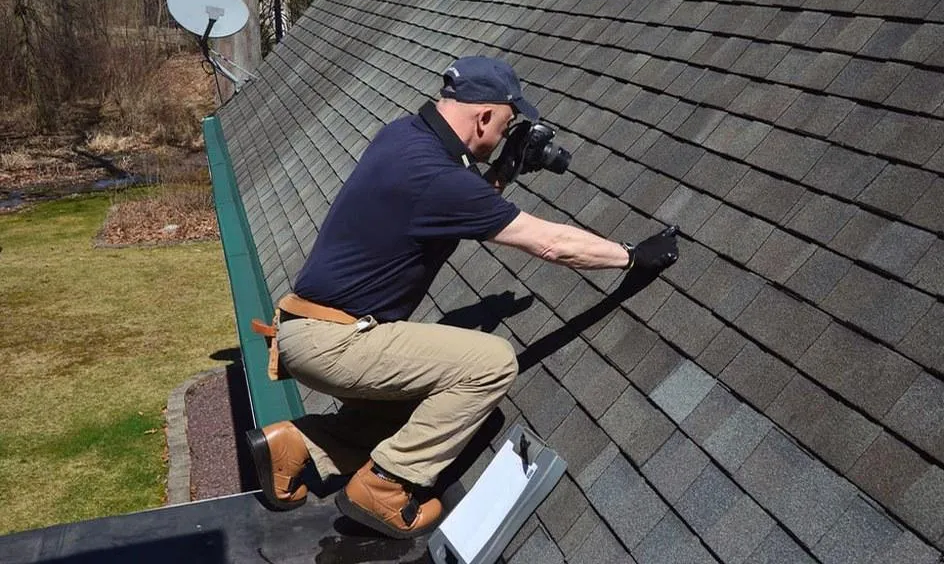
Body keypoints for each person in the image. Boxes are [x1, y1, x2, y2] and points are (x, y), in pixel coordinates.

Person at [245, 56, 680, 538]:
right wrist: (630, 256)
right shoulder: (439, 178)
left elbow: (457, 206)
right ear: (485, 116)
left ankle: (299, 446)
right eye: (507, 124)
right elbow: (549, 242)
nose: (503, 134)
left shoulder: (403, 137)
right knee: (490, 363)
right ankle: (386, 486)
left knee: (425, 409)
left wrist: (505, 169)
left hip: (307, 330)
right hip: (338, 342)